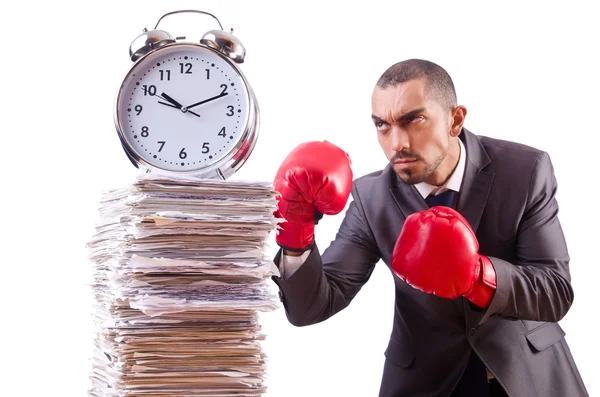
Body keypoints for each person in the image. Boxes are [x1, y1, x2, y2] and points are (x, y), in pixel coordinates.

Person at [270, 59, 589, 397]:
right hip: (427, 383)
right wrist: (295, 231)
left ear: (455, 119)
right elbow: (312, 307)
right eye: (383, 125)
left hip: (526, 377)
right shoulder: (371, 197)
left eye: (413, 120)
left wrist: (479, 276)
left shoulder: (524, 171)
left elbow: (555, 293)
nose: (397, 143)